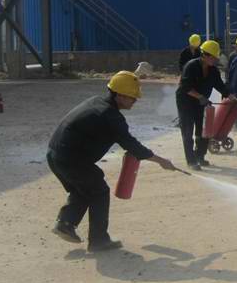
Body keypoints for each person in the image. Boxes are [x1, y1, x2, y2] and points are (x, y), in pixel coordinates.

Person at [48, 71, 177, 252]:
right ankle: (99, 240)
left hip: (55, 155)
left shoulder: (96, 102)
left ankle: (65, 223)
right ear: (120, 96)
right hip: (72, 159)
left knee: (85, 188)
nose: (135, 100)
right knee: (99, 191)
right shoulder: (111, 117)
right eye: (132, 97)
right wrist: (161, 161)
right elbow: (132, 146)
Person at [176, 40, 235, 170]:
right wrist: (200, 97)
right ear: (205, 55)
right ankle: (191, 161)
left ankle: (200, 156)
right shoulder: (191, 66)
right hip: (185, 101)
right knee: (188, 131)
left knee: (203, 129)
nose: (215, 60)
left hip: (201, 102)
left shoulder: (213, 70)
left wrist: (233, 98)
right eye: (213, 57)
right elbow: (185, 87)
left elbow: (220, 86)